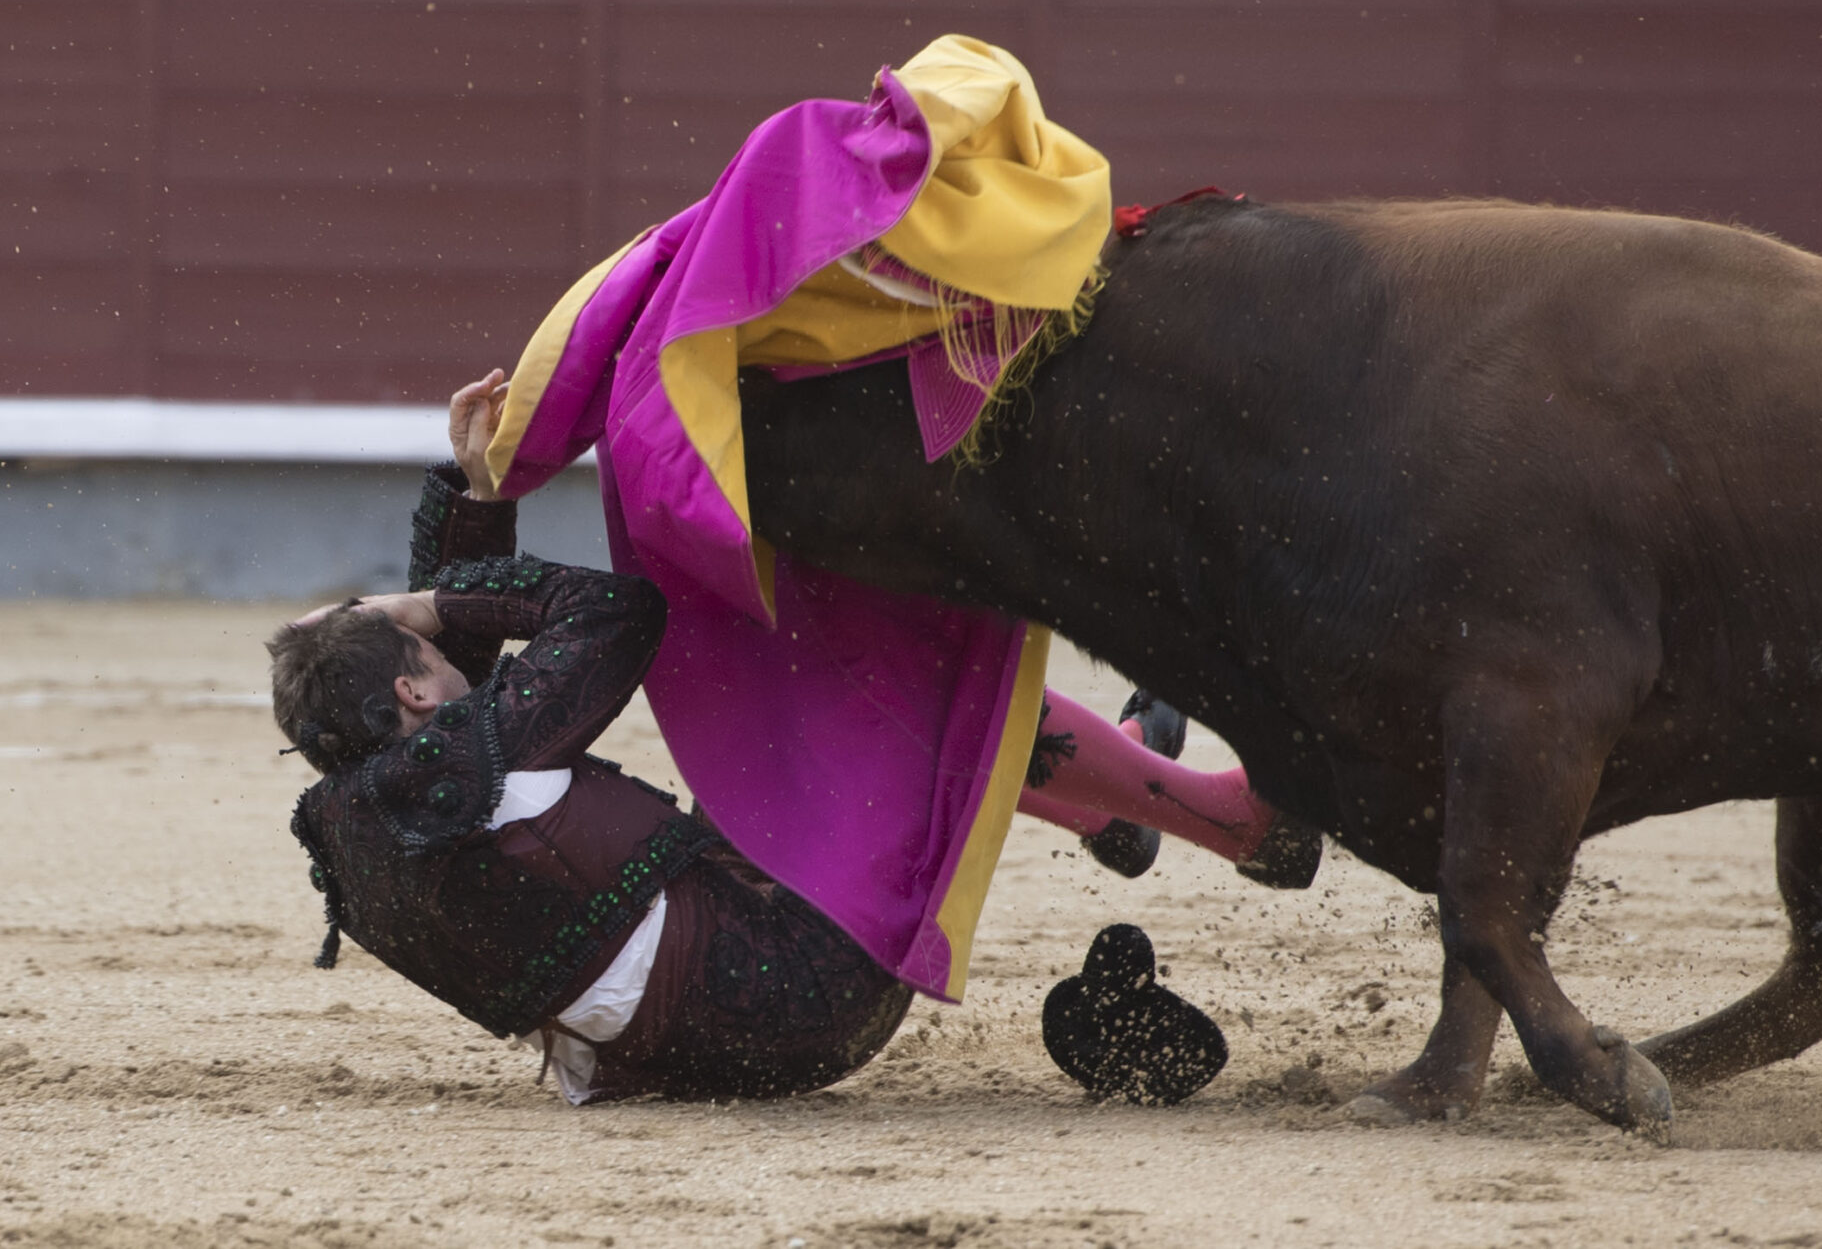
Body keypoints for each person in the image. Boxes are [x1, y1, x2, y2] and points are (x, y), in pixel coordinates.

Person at [276, 371, 1315, 1106]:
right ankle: (1214, 816)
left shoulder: (362, 831)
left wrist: (476, 504)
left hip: (690, 1064)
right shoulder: (462, 757)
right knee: (888, 704)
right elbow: (616, 613)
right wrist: (430, 595)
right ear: (414, 694)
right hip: (800, 983)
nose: (456, 672)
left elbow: (483, 704)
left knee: (804, 762)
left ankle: (1115, 800)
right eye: (430, 657)